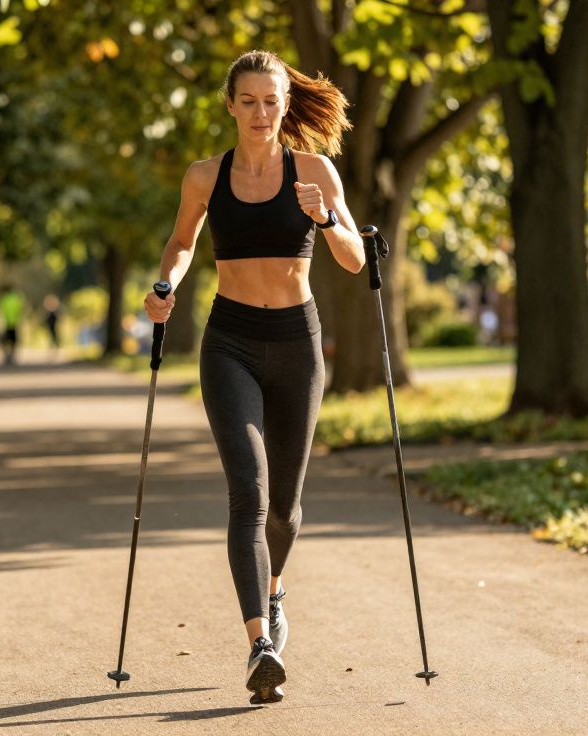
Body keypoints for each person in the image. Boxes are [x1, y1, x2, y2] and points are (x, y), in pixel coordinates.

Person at [143, 50, 363, 704]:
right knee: (249, 492)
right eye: (249, 101)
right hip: (230, 342)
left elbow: (353, 260)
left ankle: (274, 592)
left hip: (298, 342)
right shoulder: (205, 177)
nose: (261, 113)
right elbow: (182, 243)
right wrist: (166, 285)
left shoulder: (316, 172)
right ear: (230, 105)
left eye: (272, 101)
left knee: (285, 512)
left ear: (285, 105)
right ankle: (259, 644)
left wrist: (325, 218)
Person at [0, 283, 24, 365]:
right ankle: (10, 356)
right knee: (12, 341)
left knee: (6, 341)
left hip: (7, 323)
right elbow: (21, 309)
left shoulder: (3, 298)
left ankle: (9, 356)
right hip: (13, 323)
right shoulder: (17, 297)